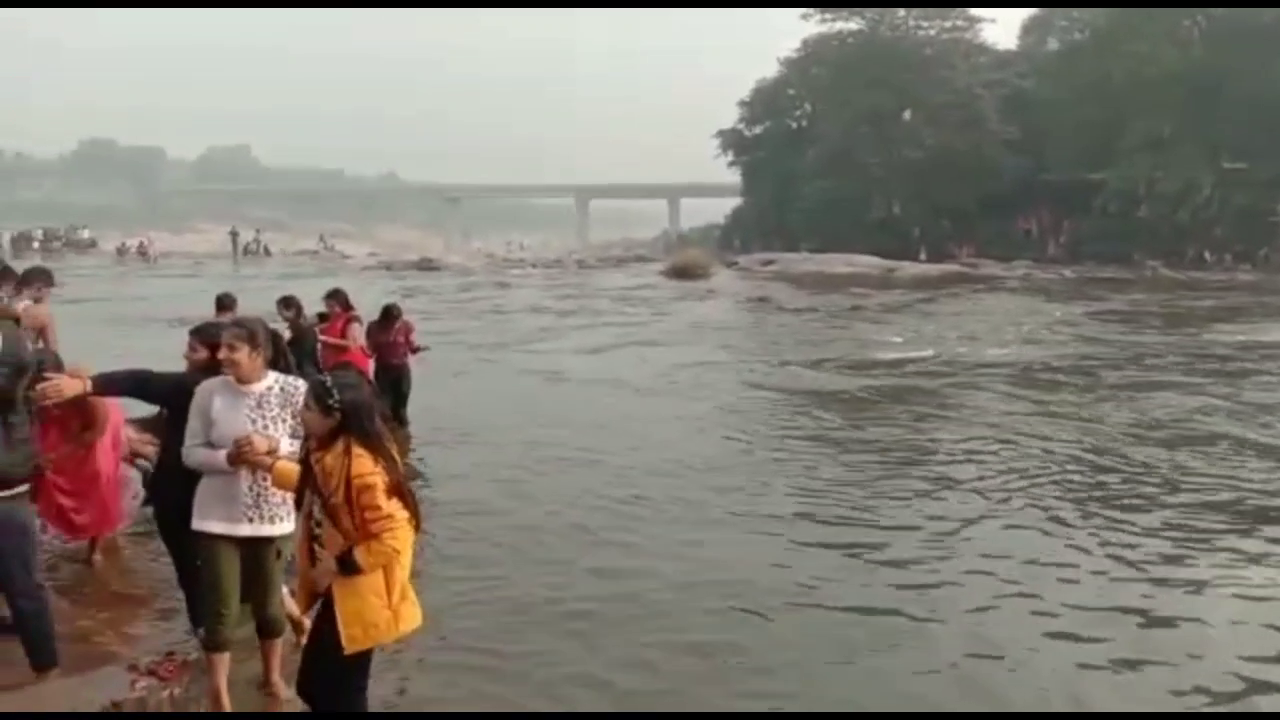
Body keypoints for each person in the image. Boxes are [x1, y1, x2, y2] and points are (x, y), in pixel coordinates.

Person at [242, 369, 422, 712]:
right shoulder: (333, 451)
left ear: (334, 418)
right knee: (319, 688)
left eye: (309, 407)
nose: (301, 413)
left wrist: (340, 564)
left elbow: (397, 532)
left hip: (361, 590)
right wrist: (267, 465)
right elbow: (318, 490)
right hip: (344, 588)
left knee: (338, 692)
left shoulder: (361, 466)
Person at [34, 321, 228, 638]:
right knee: (215, 572)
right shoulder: (239, 391)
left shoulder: (196, 387)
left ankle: (209, 635)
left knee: (196, 574)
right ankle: (217, 634)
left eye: (193, 349)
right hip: (206, 493)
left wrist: (86, 385)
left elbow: (141, 381)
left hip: (185, 493)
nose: (184, 354)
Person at [181, 316, 305, 711]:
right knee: (220, 611)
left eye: (233, 348)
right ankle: (219, 696)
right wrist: (228, 458)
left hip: (274, 516)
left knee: (270, 607)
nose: (222, 355)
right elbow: (190, 452)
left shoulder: (292, 390)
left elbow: (310, 446)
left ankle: (272, 678)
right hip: (216, 517)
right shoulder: (208, 392)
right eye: (221, 347)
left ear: (258, 352)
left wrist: (271, 444)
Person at [0, 303, 57, 680]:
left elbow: (8, 384)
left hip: (6, 484)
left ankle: (45, 667)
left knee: (21, 581)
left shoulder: (9, 339)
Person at [31, 350, 126, 566]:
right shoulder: (27, 390)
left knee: (100, 482)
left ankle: (96, 545)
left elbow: (95, 432)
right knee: (42, 476)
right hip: (57, 426)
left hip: (93, 431)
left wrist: (59, 455)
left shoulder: (87, 398)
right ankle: (36, 530)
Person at [366, 303, 424, 427]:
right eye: (392, 322)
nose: (394, 324)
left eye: (397, 321)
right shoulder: (374, 327)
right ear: (384, 319)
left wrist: (417, 348)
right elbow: (370, 350)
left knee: (401, 405)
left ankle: (404, 436)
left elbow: (411, 346)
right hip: (383, 369)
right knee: (385, 404)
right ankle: (386, 431)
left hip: (401, 369)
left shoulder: (406, 326)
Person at [317, 287, 372, 377]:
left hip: (349, 367)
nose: (329, 309)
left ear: (342, 305)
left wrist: (324, 339)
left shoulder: (352, 320)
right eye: (327, 306)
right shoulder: (328, 318)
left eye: (332, 306)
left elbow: (352, 344)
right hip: (331, 367)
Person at [276, 295, 320, 379]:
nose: (279, 314)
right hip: (311, 367)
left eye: (280, 310)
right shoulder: (307, 325)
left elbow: (282, 346)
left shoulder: (293, 328)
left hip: (301, 369)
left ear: (292, 310)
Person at [15, 265, 57, 352]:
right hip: (23, 361)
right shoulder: (41, 313)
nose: (49, 294)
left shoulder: (6, 306)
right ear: (39, 288)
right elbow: (52, 350)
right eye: (48, 290)